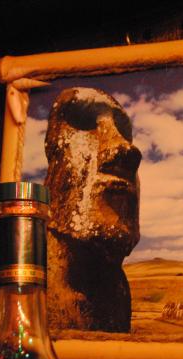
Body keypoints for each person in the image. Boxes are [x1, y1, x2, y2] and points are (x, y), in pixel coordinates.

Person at [44, 87, 142, 332]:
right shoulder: (26, 287)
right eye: (83, 122)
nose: (126, 149)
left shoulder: (116, 291)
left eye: (125, 134)